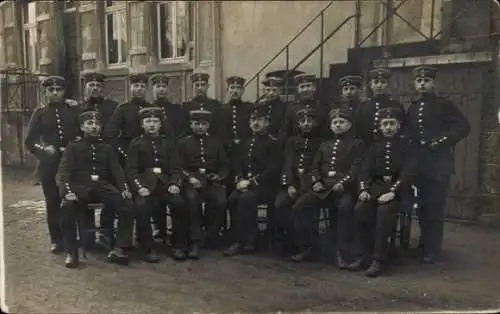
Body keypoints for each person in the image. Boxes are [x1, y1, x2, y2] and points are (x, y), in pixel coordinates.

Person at [405, 65, 470, 264]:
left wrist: (441, 141)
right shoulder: (414, 107)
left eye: (426, 81)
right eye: (419, 81)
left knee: (435, 207)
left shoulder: (444, 105)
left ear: (434, 83)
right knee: (423, 207)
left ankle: (433, 249)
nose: (422, 84)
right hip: (420, 164)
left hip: (438, 164)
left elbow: (463, 127)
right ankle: (423, 245)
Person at [56, 111, 134, 268]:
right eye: (89, 124)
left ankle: (119, 248)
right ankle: (71, 252)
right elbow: (63, 173)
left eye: (97, 124)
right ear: (82, 127)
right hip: (80, 188)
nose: (93, 127)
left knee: (126, 202)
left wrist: (124, 188)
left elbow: (117, 171)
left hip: (103, 188)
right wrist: (67, 191)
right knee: (66, 207)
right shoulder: (73, 148)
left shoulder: (107, 148)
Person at [290, 108, 364, 265]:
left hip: (343, 189)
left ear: (349, 125)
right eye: (335, 122)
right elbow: (314, 167)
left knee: (345, 209)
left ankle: (342, 252)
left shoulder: (357, 144)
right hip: (323, 188)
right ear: (330, 126)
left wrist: (343, 183)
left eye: (342, 122)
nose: (338, 125)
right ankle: (309, 247)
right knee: (300, 207)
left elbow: (356, 168)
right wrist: (316, 181)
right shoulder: (324, 145)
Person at [351, 107, 416, 276]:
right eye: (385, 124)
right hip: (376, 187)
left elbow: (408, 172)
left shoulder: (407, 146)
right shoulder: (374, 146)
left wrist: (393, 192)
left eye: (391, 124)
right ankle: (362, 254)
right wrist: (364, 189)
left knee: (384, 211)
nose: (388, 127)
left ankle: (378, 259)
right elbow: (365, 170)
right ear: (379, 127)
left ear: (399, 126)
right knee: (360, 208)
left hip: (399, 190)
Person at [24, 75, 81, 254]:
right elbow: (29, 141)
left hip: (72, 163)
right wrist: (44, 150)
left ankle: (73, 237)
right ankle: (56, 240)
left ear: (64, 92)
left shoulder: (73, 110)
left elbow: (81, 132)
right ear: (46, 92)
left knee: (72, 200)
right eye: (51, 90)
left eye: (59, 90)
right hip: (49, 165)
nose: (55, 93)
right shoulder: (39, 113)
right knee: (53, 202)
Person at [126, 107, 186, 263]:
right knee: (142, 205)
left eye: (155, 121)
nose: (151, 125)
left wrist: (174, 184)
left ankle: (177, 245)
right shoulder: (136, 143)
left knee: (178, 202)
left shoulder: (169, 143)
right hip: (145, 185)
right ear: (142, 124)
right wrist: (139, 187)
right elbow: (131, 171)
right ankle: (147, 247)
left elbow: (175, 168)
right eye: (148, 121)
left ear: (160, 124)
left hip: (165, 184)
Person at [223, 102, 281, 257]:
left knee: (246, 199)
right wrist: (239, 180)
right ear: (249, 123)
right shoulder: (245, 143)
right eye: (253, 120)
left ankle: (248, 241)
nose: (256, 123)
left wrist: (252, 181)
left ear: (267, 123)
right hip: (245, 184)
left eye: (260, 120)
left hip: (265, 186)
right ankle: (236, 236)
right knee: (232, 199)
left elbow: (273, 169)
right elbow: (237, 164)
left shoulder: (273, 143)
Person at [177, 110, 229, 259]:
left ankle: (210, 235)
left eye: (204, 124)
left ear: (208, 125)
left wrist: (219, 176)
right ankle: (195, 241)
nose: (200, 127)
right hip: (192, 181)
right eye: (197, 124)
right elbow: (178, 167)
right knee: (193, 201)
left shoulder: (216, 143)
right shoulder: (183, 143)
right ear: (191, 125)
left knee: (221, 201)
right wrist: (189, 178)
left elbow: (224, 165)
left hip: (211, 180)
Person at [273, 108, 323, 255]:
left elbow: (317, 166)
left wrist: (309, 184)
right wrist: (289, 184)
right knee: (280, 204)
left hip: (311, 184)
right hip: (293, 183)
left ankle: (307, 246)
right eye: (303, 121)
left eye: (309, 121)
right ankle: (287, 242)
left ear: (315, 123)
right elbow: (287, 163)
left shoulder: (320, 143)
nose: (306, 124)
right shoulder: (292, 141)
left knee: (301, 207)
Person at [104, 73, 152, 162]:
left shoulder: (152, 108)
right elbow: (110, 134)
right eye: (136, 86)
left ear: (146, 89)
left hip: (149, 153)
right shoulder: (123, 109)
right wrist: (123, 152)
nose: (139, 89)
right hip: (128, 151)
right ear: (130, 88)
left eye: (142, 86)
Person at [355, 68, 405, 146]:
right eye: (376, 82)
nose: (379, 85)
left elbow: (402, 127)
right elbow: (358, 129)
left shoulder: (395, 105)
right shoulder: (364, 106)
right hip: (367, 146)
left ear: (387, 85)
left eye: (383, 82)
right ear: (370, 85)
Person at [221, 76, 253, 196]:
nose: (235, 91)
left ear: (243, 90)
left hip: (245, 153)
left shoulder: (249, 108)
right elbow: (220, 132)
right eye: (232, 87)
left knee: (243, 189)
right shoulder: (222, 109)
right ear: (227, 90)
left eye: (238, 88)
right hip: (227, 153)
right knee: (228, 189)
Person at [281, 73, 329, 140]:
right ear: (298, 89)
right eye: (302, 87)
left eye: (308, 86)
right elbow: (287, 131)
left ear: (314, 87)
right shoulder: (291, 108)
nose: (305, 89)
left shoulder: (323, 107)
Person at [182, 72, 223, 138]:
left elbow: (219, 127)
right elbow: (184, 129)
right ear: (193, 87)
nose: (200, 88)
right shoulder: (187, 106)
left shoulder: (215, 104)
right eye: (197, 85)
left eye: (203, 85)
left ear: (207, 86)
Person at [150, 74, 188, 139]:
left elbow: (182, 131)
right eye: (158, 86)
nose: (161, 89)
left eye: (164, 86)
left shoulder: (176, 109)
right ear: (152, 89)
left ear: (168, 89)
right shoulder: (148, 108)